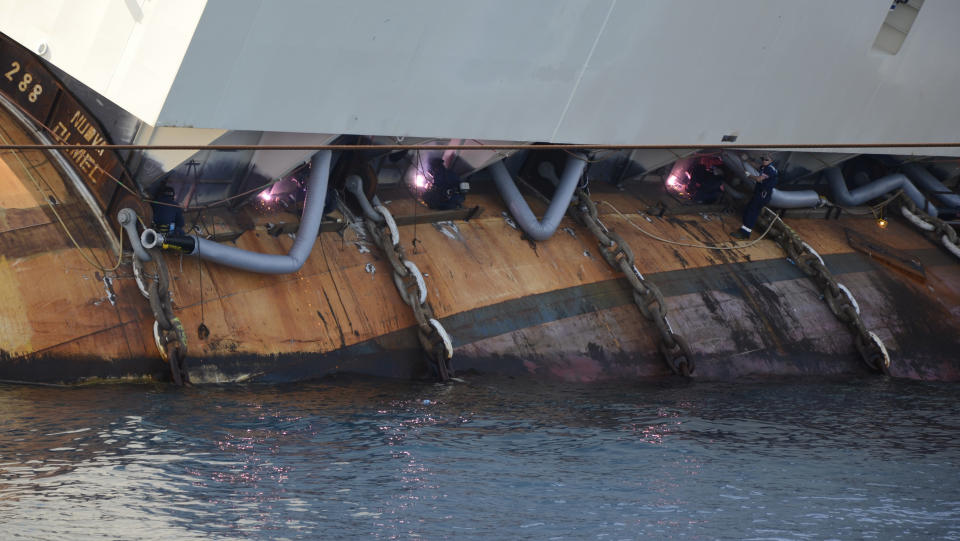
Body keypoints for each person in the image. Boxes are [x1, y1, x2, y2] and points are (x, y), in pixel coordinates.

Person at [731, 153, 778, 239]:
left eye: (766, 159)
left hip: (762, 195)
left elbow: (759, 179)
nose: (764, 161)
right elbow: (757, 166)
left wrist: (749, 175)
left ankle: (745, 233)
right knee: (749, 210)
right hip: (759, 193)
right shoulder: (765, 167)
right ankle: (744, 230)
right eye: (763, 159)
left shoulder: (770, 170)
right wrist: (746, 160)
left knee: (752, 213)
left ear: (771, 161)